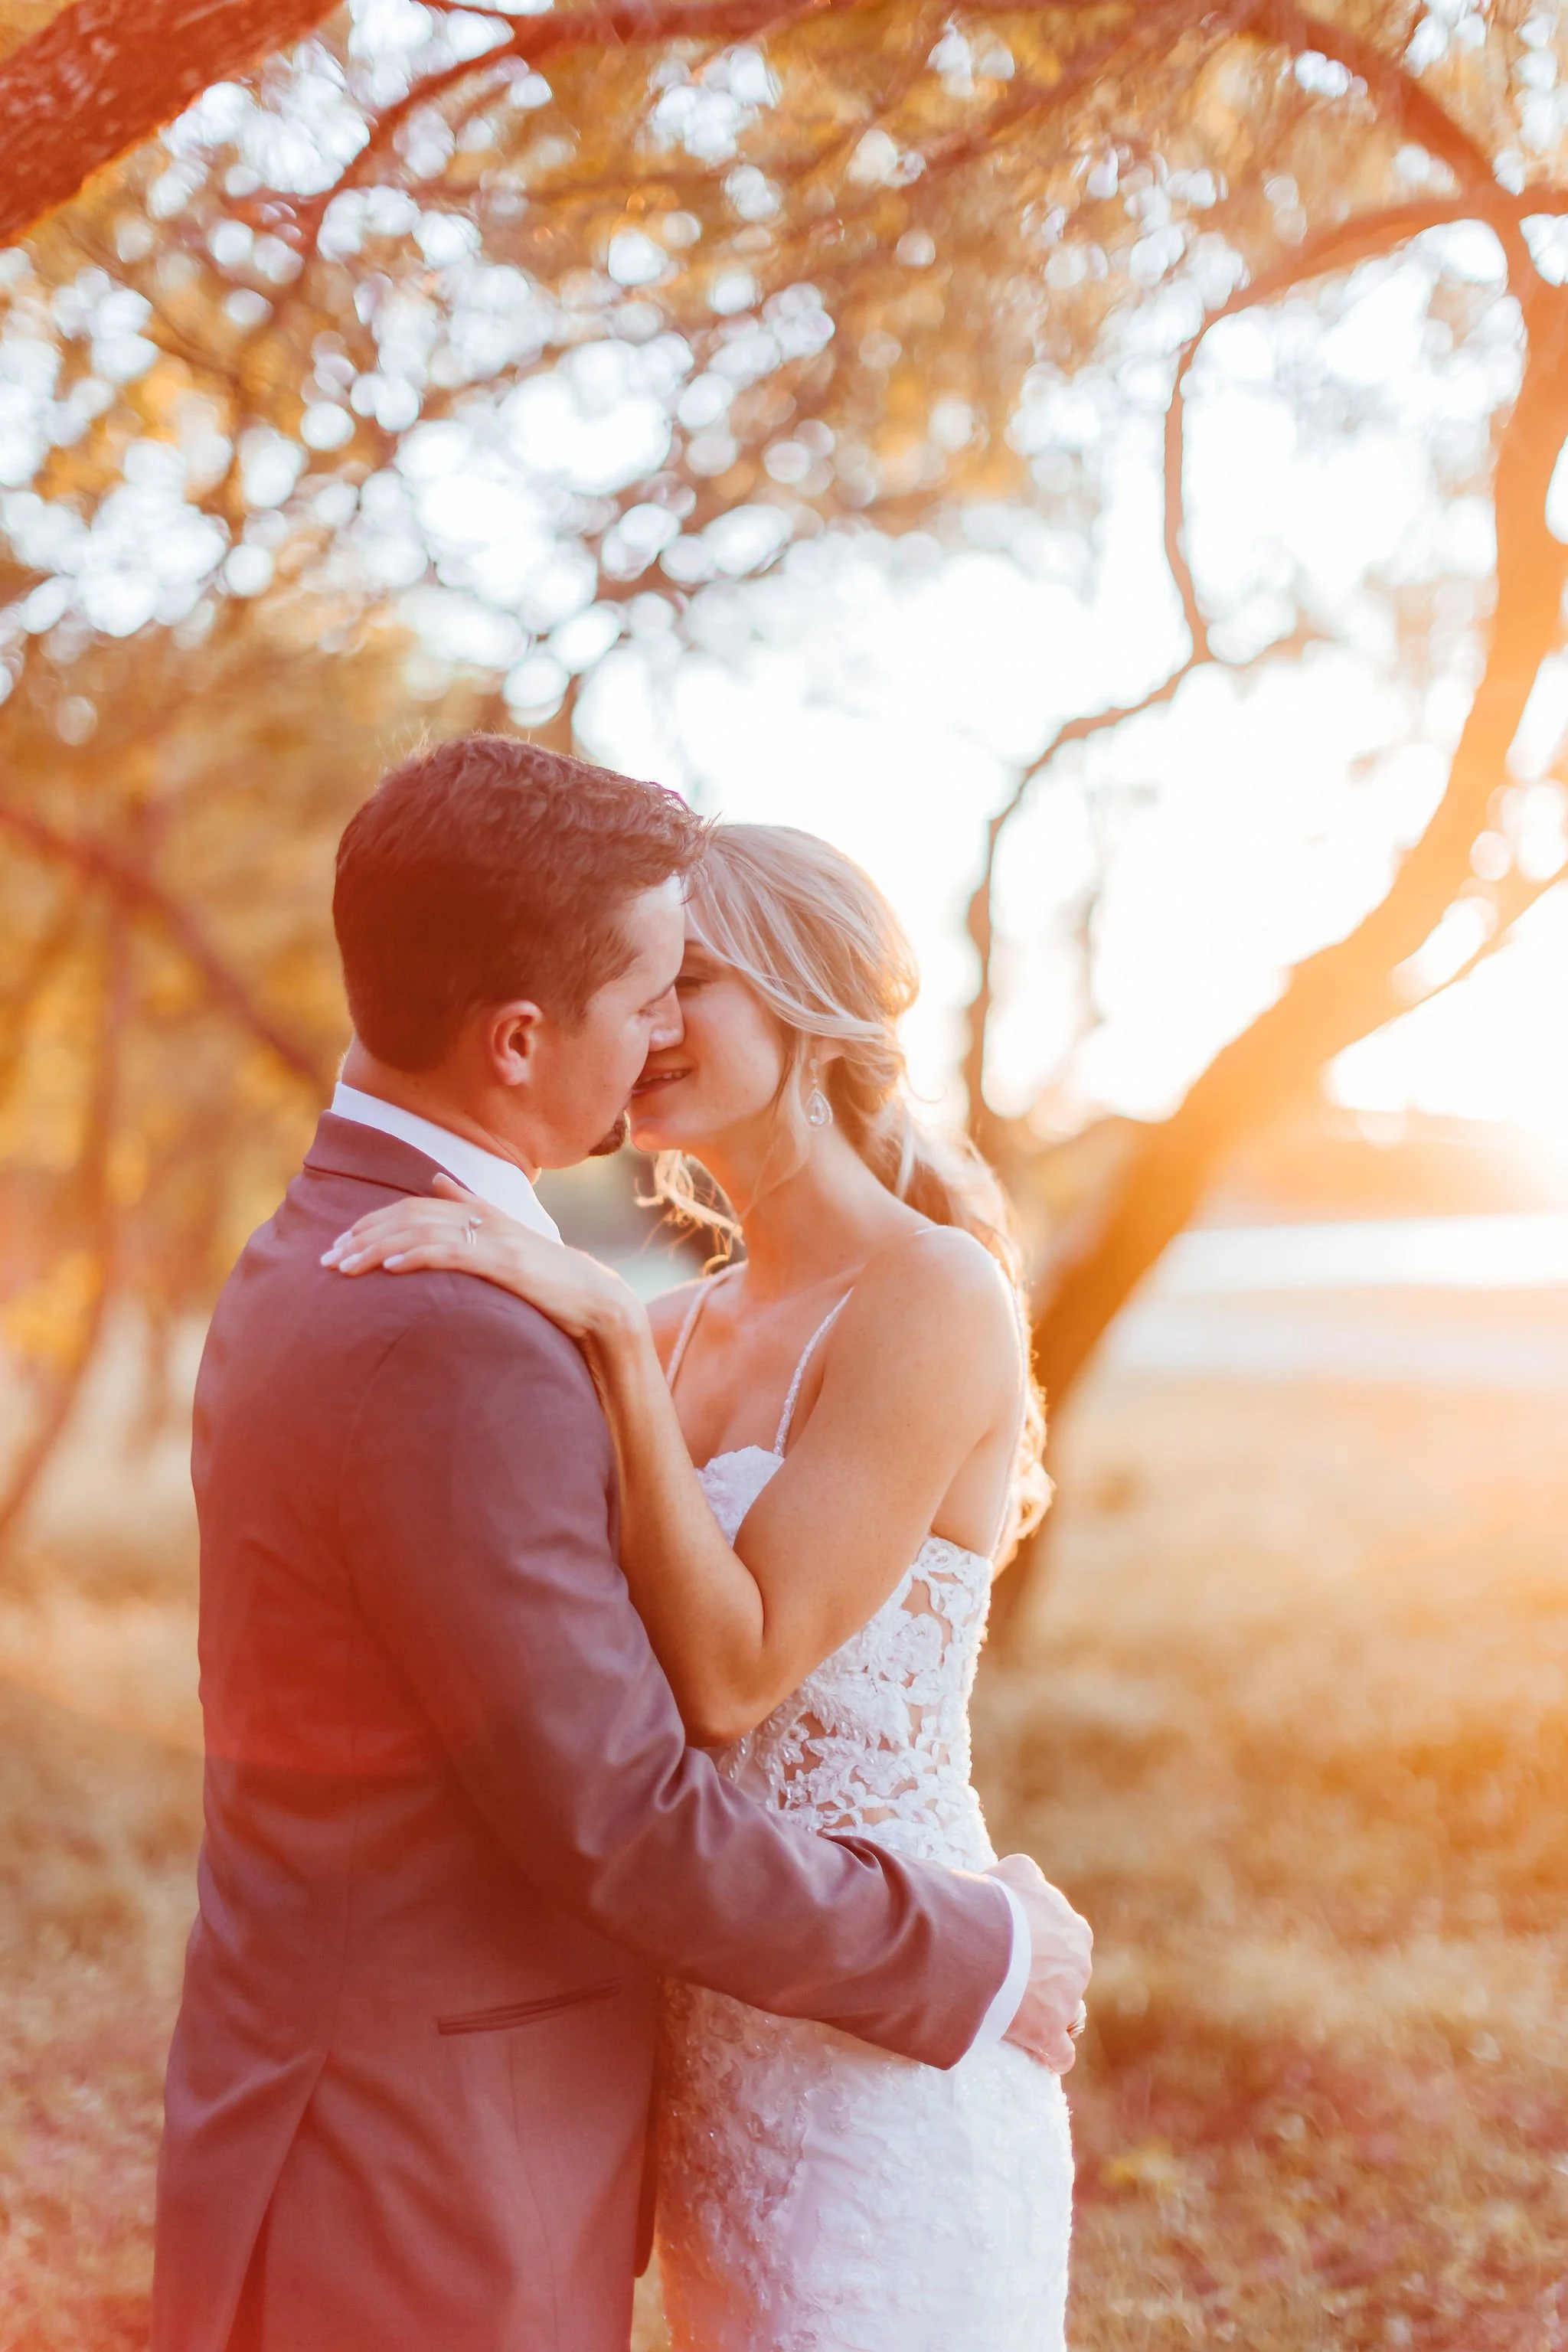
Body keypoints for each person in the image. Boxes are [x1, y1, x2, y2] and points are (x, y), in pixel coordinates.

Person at [152, 738, 1091, 2352]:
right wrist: (978, 1955)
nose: (655, 1028)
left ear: (808, 1010)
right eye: (647, 989)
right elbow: (626, 1774)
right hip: (665, 2053)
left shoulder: (902, 1299)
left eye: (686, 986)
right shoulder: (585, 1324)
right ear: (523, 1034)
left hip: (857, 2068)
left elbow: (695, 1685)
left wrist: (595, 1321)